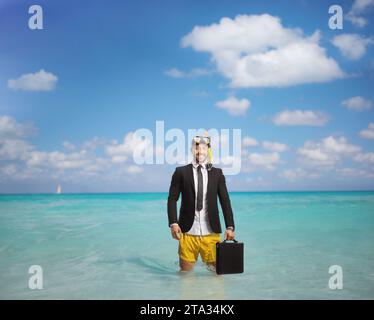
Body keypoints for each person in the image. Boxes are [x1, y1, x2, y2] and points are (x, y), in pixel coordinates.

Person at [167, 135, 235, 272]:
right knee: (185, 277)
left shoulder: (217, 173)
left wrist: (230, 226)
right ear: (192, 150)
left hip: (211, 233)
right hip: (187, 233)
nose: (200, 152)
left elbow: (225, 201)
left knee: (217, 277)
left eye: (203, 148)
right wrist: (173, 223)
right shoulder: (180, 172)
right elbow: (172, 199)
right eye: (196, 148)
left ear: (208, 150)